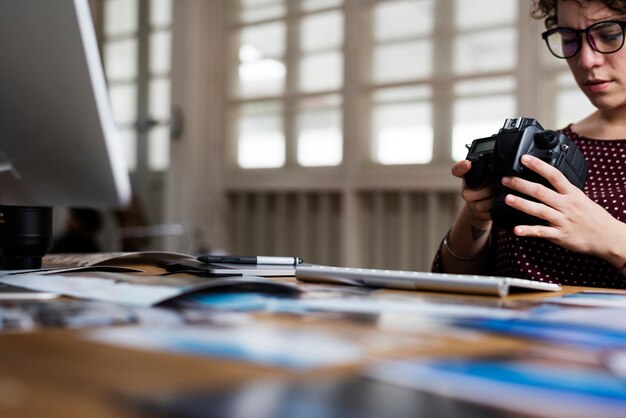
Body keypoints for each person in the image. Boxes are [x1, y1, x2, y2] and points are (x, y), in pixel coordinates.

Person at [432, 0, 626, 288]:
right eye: (569, 39)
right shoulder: (547, 149)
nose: (586, 60)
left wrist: (612, 240)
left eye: (609, 35)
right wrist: (476, 217)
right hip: (504, 329)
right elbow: (448, 283)